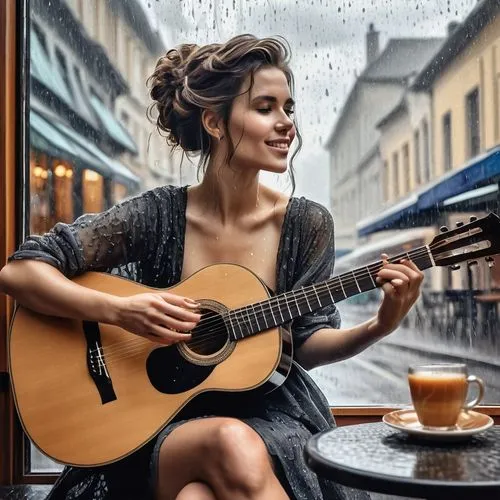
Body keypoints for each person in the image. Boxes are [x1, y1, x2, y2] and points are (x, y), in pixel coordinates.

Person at [0, 34, 423, 500]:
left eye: (289, 108)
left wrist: (382, 324)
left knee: (196, 496)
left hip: (273, 418)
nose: (287, 125)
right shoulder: (157, 216)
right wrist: (120, 312)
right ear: (214, 122)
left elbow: (304, 344)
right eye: (266, 108)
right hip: (152, 425)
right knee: (227, 442)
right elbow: (20, 272)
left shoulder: (308, 225)